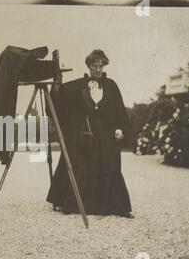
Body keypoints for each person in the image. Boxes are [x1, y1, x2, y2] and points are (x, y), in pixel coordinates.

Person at [46, 49, 134, 218]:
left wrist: (121, 129)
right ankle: (75, 203)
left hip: (106, 134)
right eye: (95, 65)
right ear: (88, 66)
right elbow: (59, 98)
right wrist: (57, 81)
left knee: (109, 162)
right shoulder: (77, 86)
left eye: (101, 66)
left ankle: (114, 205)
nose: (98, 69)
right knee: (80, 161)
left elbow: (119, 110)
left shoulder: (111, 86)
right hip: (85, 134)